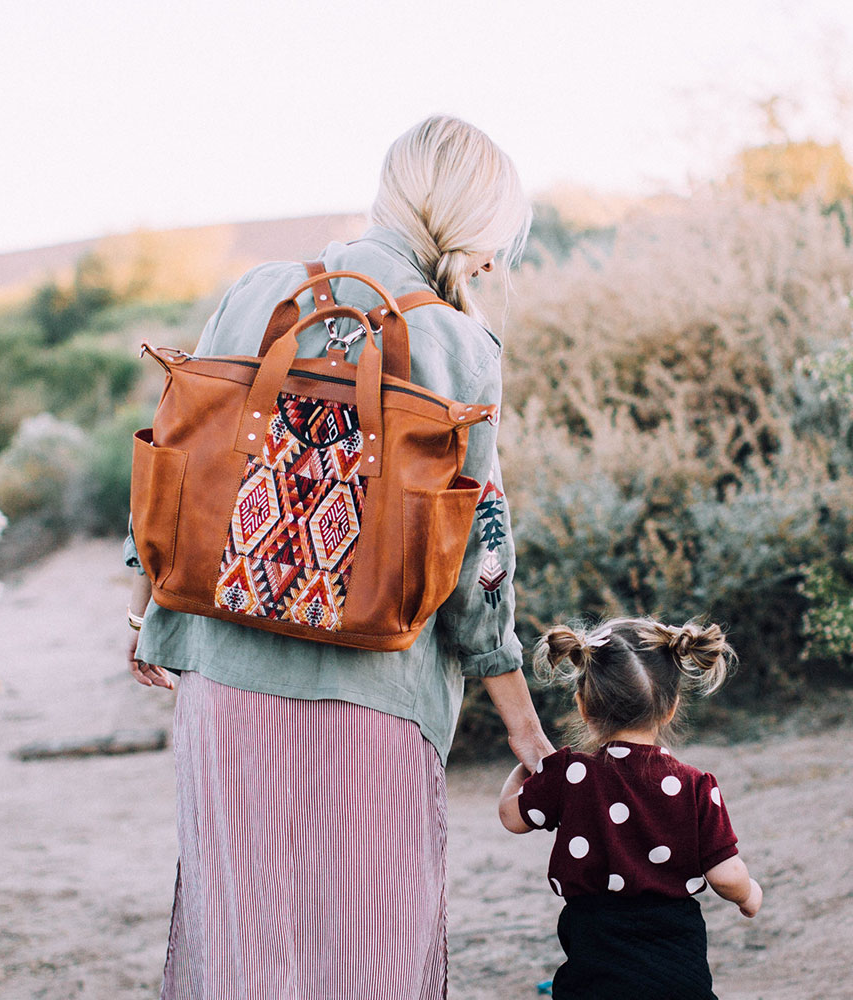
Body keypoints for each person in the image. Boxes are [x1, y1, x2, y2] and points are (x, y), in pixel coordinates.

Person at [123, 114, 554, 999]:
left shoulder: (259, 291)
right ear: (477, 233)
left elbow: (179, 456)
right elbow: (484, 550)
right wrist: (518, 714)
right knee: (367, 945)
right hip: (378, 687)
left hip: (226, 667)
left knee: (242, 929)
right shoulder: (458, 344)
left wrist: (149, 611)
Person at [498, 617, 763, 1000]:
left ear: (583, 705)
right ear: (670, 707)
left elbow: (510, 815)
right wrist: (749, 895)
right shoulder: (695, 785)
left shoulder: (568, 774)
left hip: (595, 975)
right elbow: (725, 875)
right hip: (677, 978)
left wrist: (531, 765)